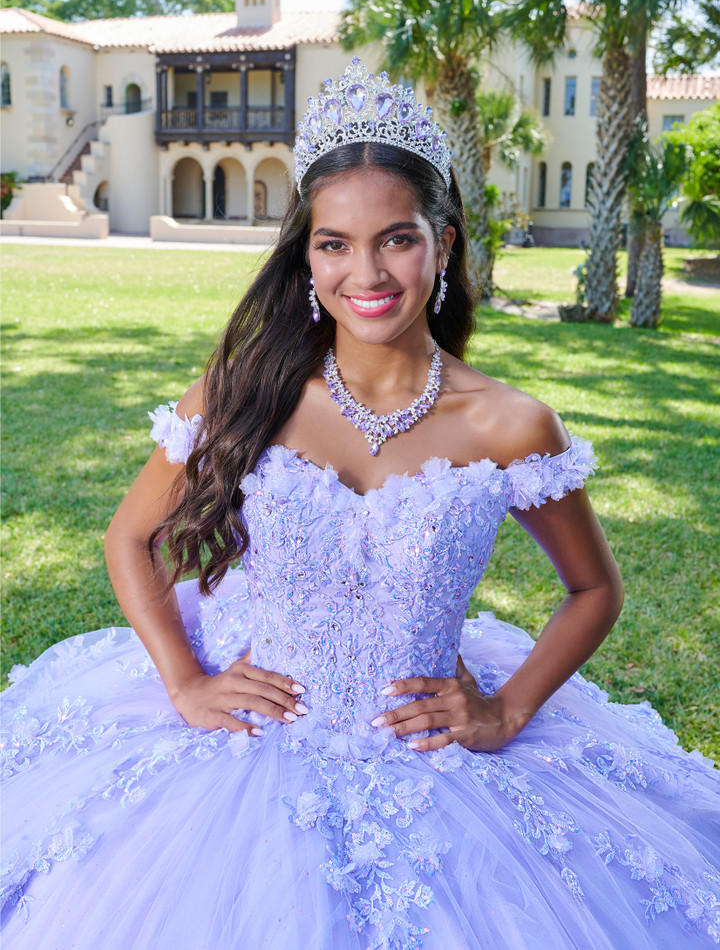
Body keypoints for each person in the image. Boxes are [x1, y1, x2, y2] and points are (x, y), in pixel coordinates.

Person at [1, 59, 719, 950]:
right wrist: (185, 682)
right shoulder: (244, 392)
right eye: (334, 242)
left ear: (446, 243)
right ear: (307, 254)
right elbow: (131, 536)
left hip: (431, 752)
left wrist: (508, 710)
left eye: (398, 238)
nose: (366, 272)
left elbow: (594, 590)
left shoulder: (509, 423)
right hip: (247, 741)